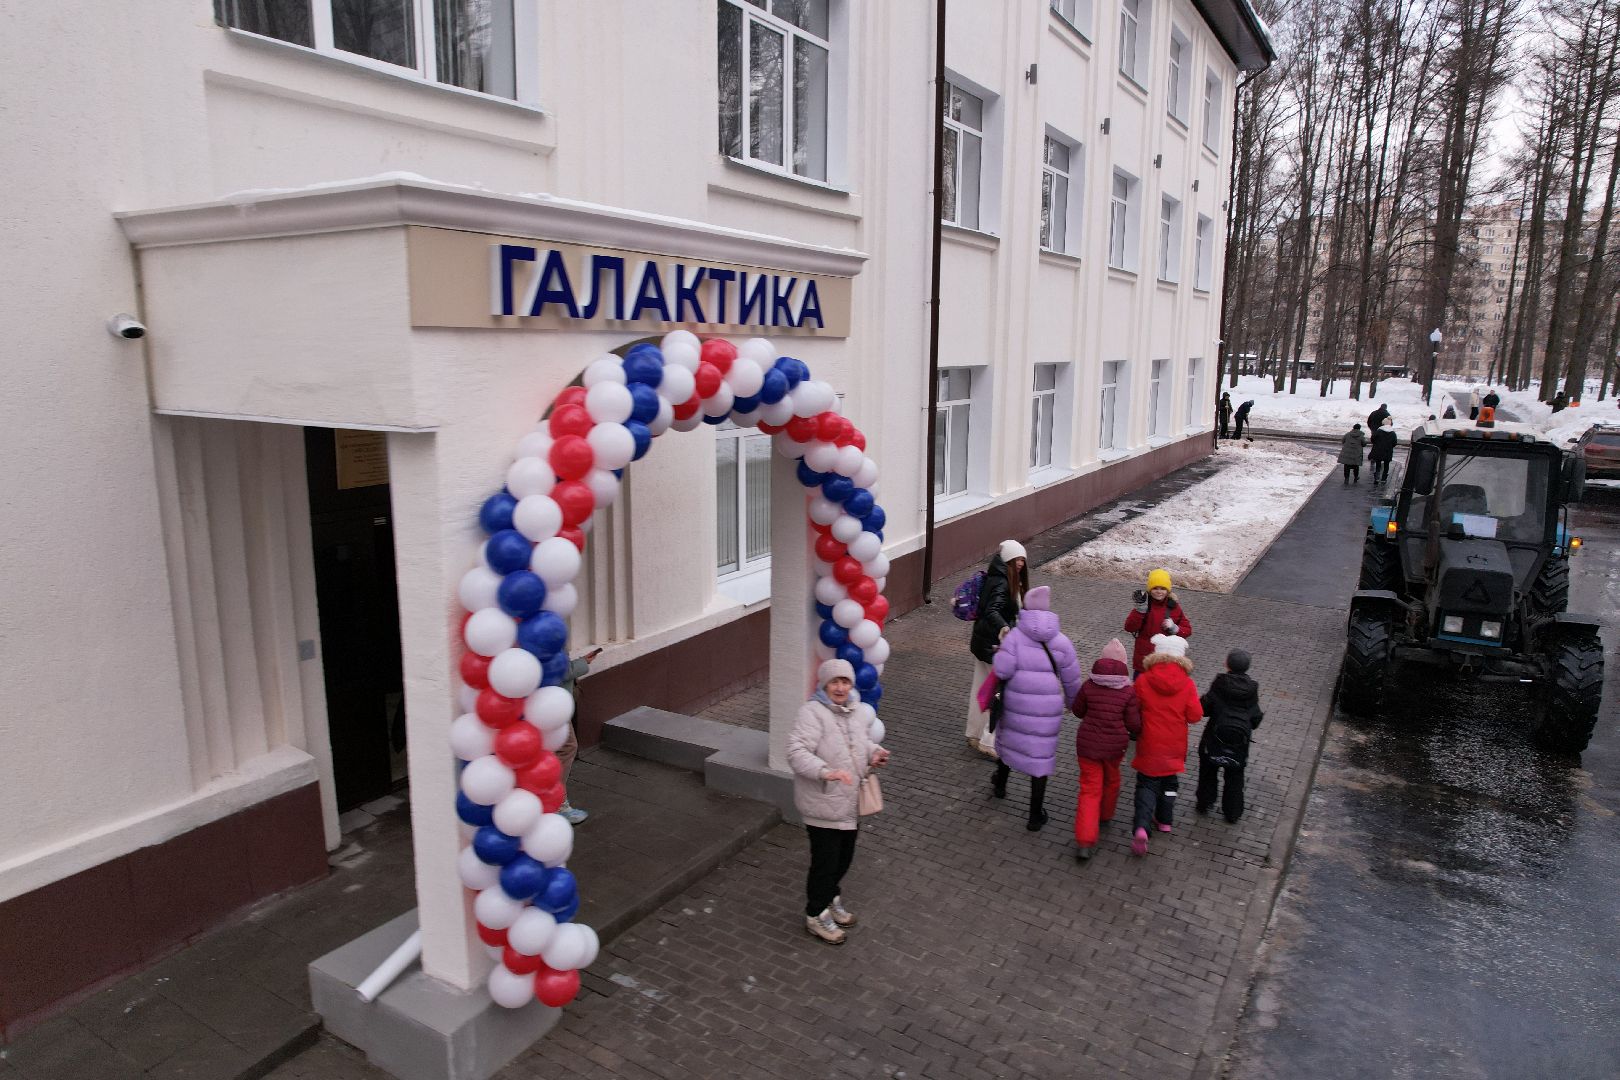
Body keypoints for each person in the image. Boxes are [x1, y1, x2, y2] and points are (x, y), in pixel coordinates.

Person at [787, 658, 890, 945]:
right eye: (835, 682)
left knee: (844, 859)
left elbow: (859, 744)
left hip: (848, 803)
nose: (840, 687)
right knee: (825, 863)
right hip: (822, 802)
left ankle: (830, 898)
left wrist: (874, 753)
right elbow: (795, 752)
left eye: (845, 681)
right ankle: (815, 914)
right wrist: (825, 771)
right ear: (824, 684)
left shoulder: (854, 712)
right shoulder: (812, 713)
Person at [990, 585, 1083, 832]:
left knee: (1009, 742)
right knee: (1040, 758)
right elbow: (1072, 679)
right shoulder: (1062, 641)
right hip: (1048, 711)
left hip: (1016, 705)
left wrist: (999, 652)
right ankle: (1034, 815)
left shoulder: (1014, 639)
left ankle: (1000, 784)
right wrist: (1072, 704)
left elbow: (1002, 671)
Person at [1129, 634, 1203, 856]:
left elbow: (1133, 707)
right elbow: (1195, 715)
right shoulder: (1187, 684)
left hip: (1150, 741)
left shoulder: (1143, 680)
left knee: (1147, 784)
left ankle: (1142, 826)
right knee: (1170, 783)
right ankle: (1165, 820)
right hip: (1175, 744)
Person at [1070, 638, 1141, 860]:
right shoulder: (1128, 691)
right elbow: (1134, 725)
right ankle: (1106, 814)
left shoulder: (1089, 685)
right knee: (1111, 780)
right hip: (1115, 747)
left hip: (1087, 746)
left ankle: (1084, 841)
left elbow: (1078, 711)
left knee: (1089, 790)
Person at [967, 540, 1029, 758]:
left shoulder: (998, 576)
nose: (1020, 563)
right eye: (1016, 559)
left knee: (981, 689)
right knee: (998, 693)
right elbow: (993, 610)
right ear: (1008, 560)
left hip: (984, 642)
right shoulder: (1003, 582)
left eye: (1023, 559)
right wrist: (1005, 627)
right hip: (995, 645)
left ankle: (974, 734)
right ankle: (989, 740)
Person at [1195, 650, 1263, 823]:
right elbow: (1255, 717)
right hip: (1239, 742)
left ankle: (1205, 802)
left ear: (1227, 664)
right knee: (1235, 776)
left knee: (1208, 770)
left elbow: (1205, 708)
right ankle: (1232, 812)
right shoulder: (1252, 689)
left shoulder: (1220, 683)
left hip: (1214, 736)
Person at [554, 647, 603, 825]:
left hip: (545, 705)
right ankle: (557, 803)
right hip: (553, 707)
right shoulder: (547, 633)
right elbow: (559, 670)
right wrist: (582, 663)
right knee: (567, 747)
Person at [1124, 569, 1192, 675]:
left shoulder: (1173, 607)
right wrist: (1140, 611)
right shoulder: (1143, 606)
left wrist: (1174, 628)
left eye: (1163, 588)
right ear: (1150, 589)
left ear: (1168, 590)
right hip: (1144, 662)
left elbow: (1187, 630)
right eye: (1155, 588)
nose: (1159, 591)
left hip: (1165, 662)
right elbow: (1129, 627)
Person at [1367, 417, 1396, 484]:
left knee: (1378, 464)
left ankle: (1377, 477)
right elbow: (1394, 443)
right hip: (1388, 451)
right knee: (1386, 465)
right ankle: (1384, 478)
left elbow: (1373, 439)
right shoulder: (1392, 433)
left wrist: (1376, 444)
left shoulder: (1379, 431)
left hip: (1378, 450)